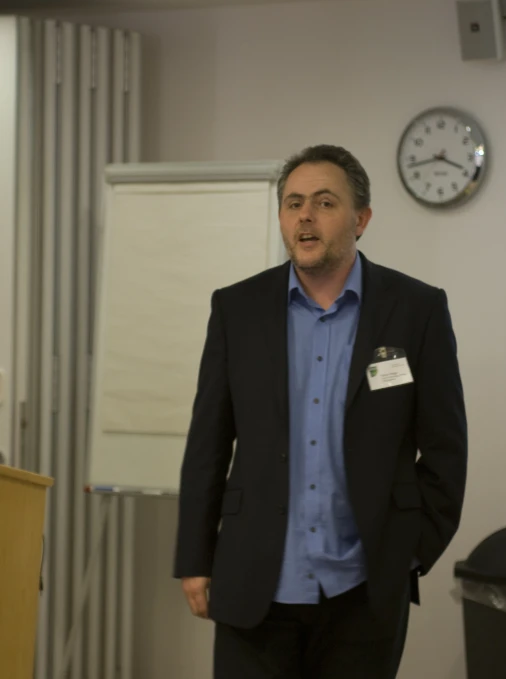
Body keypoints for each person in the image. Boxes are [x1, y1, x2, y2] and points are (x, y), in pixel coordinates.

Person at [174, 144, 467, 679]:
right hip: (255, 583)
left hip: (365, 588)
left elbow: (447, 448)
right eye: (292, 203)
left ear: (361, 219)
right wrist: (194, 557)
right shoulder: (236, 309)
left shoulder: (417, 309)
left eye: (324, 202)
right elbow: (207, 444)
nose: (304, 215)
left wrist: (409, 552)